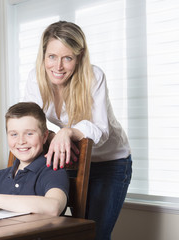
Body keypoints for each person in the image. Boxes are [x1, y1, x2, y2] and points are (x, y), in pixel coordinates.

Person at [23, 20, 132, 240]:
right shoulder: (36, 78)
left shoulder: (94, 77)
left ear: (79, 57)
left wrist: (68, 132)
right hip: (71, 159)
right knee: (54, 231)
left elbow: (101, 130)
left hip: (109, 163)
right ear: (43, 55)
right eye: (52, 56)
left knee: (94, 235)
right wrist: (52, 134)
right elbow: (31, 122)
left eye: (67, 58)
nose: (58, 66)